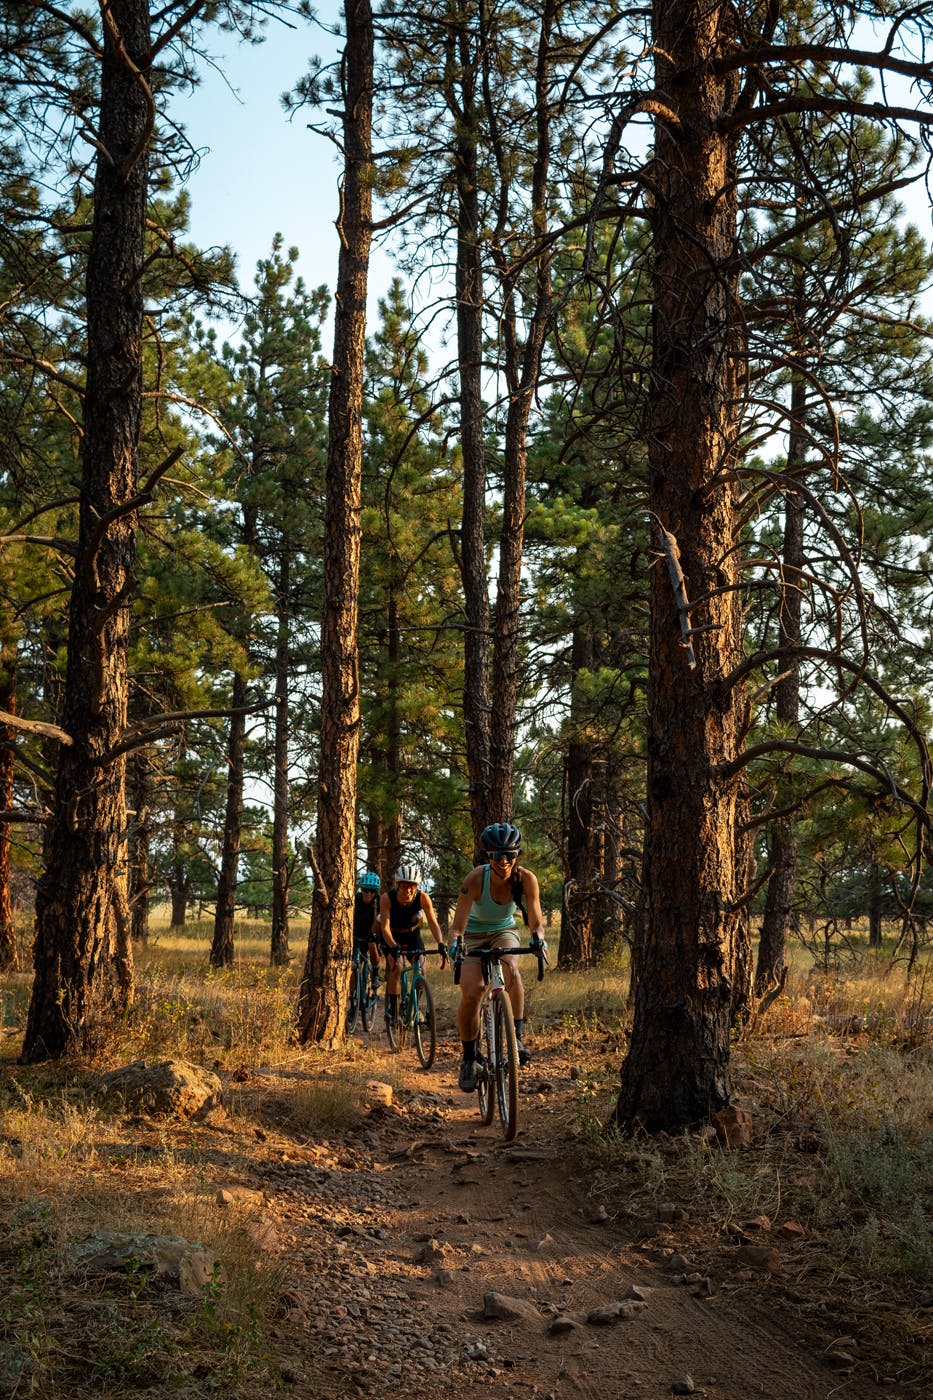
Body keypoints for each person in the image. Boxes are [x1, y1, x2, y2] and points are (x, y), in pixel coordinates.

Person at [448, 821, 547, 1092]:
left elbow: (536, 921)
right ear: (487, 856)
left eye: (509, 855)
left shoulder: (527, 879)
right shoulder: (475, 879)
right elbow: (457, 926)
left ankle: (515, 1038)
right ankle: (469, 1058)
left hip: (504, 931)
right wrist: (455, 943)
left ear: (517, 855)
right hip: (473, 935)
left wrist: (538, 937)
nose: (503, 861)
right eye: (496, 855)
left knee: (510, 971)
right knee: (473, 992)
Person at [379, 863, 448, 1026]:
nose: (408, 890)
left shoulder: (423, 897)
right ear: (398, 885)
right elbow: (385, 927)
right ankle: (394, 1012)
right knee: (398, 966)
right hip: (391, 935)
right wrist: (393, 946)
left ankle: (413, 1006)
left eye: (412, 886)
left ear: (416, 886)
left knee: (422, 969)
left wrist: (440, 943)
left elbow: (433, 923)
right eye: (404, 886)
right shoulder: (386, 898)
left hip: (411, 934)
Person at [353, 871, 383, 987]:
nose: (369, 894)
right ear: (361, 889)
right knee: (353, 966)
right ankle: (352, 998)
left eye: (373, 891)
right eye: (366, 890)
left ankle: (375, 974)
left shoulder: (380, 902)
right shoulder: (355, 900)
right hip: (356, 934)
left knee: (372, 946)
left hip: (373, 934)